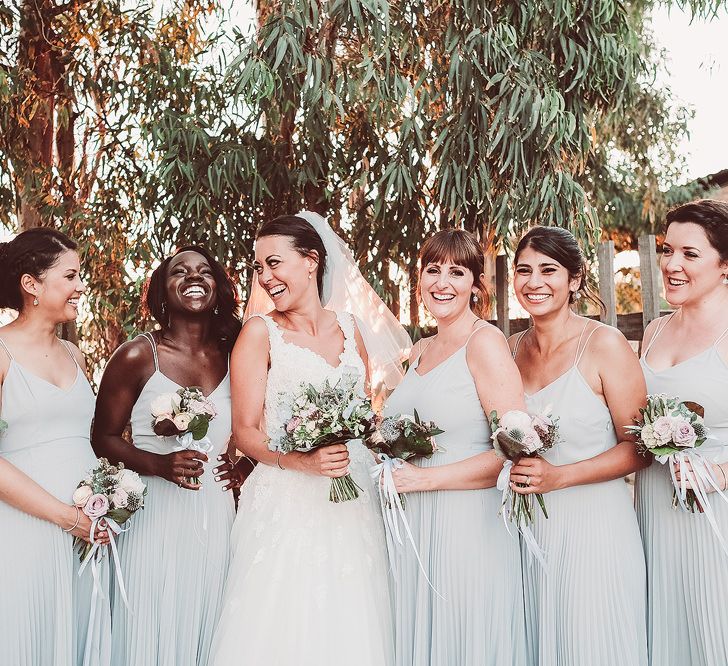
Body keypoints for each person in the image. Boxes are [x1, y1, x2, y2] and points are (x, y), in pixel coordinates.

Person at [208, 212, 410, 666]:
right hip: (287, 499)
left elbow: (362, 414)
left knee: (355, 613)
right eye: (259, 267)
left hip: (352, 495)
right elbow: (245, 433)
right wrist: (300, 462)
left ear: (311, 261)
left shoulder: (352, 327)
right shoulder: (259, 334)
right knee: (283, 621)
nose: (265, 277)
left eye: (274, 263)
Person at [92, 246, 242, 666]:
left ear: (218, 286)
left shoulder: (237, 355)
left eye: (205, 271)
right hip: (154, 513)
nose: (194, 277)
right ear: (162, 289)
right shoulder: (137, 355)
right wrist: (159, 464)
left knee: (209, 620)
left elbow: (258, 426)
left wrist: (244, 465)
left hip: (216, 515)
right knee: (150, 619)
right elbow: (102, 437)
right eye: (180, 271)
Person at [383, 228, 528, 665]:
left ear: (475, 285)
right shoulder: (420, 349)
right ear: (419, 279)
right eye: (433, 270)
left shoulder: (484, 342)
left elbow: (513, 449)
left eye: (457, 272)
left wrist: (426, 479)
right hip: (412, 519)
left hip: (466, 522)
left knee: (464, 636)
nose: (442, 282)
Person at [508, 226, 648, 666]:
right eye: (523, 270)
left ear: (574, 280)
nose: (534, 282)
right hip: (525, 531)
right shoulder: (509, 349)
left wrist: (560, 476)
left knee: (591, 642)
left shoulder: (605, 344)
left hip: (594, 529)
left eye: (549, 270)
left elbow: (639, 448)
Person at [0, 227, 110, 666]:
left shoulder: (74, 355)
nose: (81, 287)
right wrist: (67, 517)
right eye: (70, 276)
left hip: (87, 533)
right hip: (25, 527)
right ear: (32, 284)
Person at [635, 199, 728, 666]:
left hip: (716, 508)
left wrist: (721, 475)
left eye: (690, 255)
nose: (671, 264)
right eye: (667, 250)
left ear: (724, 264)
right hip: (654, 500)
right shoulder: (652, 331)